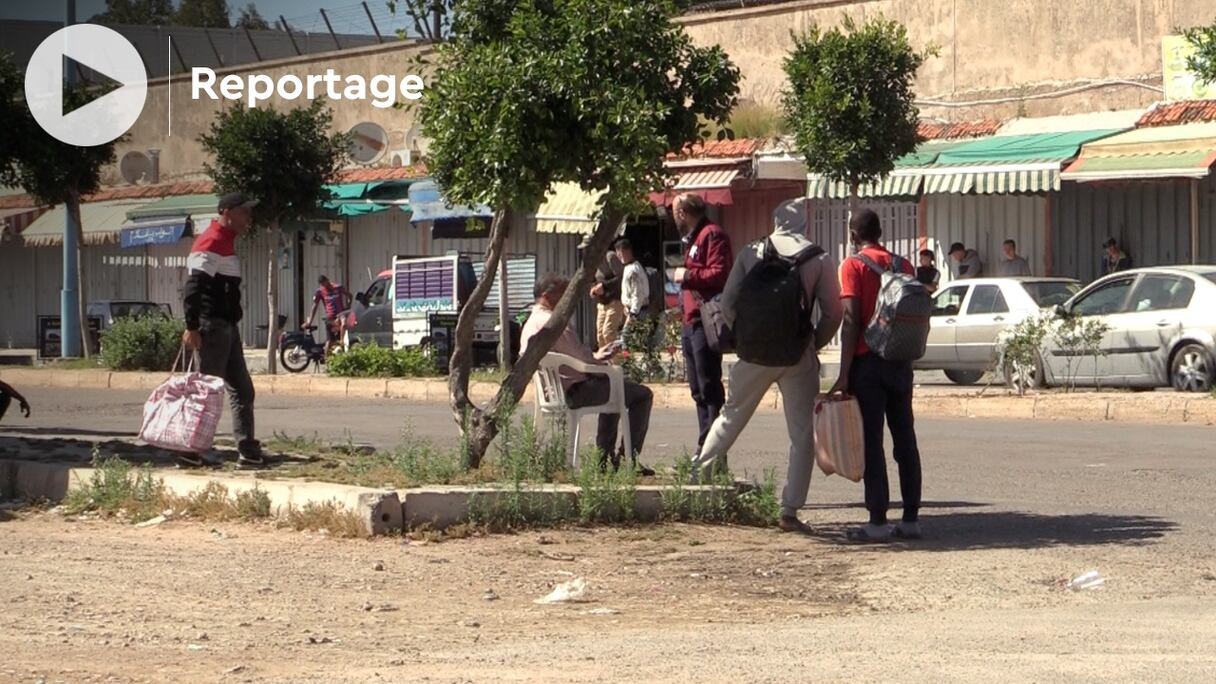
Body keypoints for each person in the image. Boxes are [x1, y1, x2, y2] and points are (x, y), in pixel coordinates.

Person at [692, 200, 842, 533]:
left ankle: (696, 485)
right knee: (802, 435)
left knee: (730, 418)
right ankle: (789, 511)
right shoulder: (819, 258)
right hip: (796, 357)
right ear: (804, 222)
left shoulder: (751, 251)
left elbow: (727, 303)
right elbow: (834, 313)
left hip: (753, 355)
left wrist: (748, 337)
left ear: (775, 220)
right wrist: (811, 343)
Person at [829, 209, 923, 543]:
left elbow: (851, 318)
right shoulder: (904, 266)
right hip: (900, 361)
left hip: (867, 363)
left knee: (872, 442)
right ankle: (911, 519)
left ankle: (878, 521)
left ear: (854, 235)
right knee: (905, 440)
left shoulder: (852, 265)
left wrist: (843, 373)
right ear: (880, 232)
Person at [520, 274, 654, 475]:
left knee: (612, 387)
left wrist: (595, 358)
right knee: (641, 394)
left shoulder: (531, 322)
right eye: (565, 293)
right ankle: (627, 459)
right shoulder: (553, 322)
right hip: (575, 390)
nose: (569, 299)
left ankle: (605, 459)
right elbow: (581, 360)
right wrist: (599, 358)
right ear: (548, 295)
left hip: (553, 390)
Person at [181, 193, 264, 468]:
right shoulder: (211, 240)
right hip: (212, 326)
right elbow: (193, 287)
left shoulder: (225, 241)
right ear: (226, 212)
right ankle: (190, 450)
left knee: (242, 390)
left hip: (227, 327)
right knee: (207, 391)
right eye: (244, 212)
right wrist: (192, 326)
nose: (248, 218)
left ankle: (248, 451)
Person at [671, 193, 733, 453]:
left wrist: (688, 275)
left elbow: (719, 274)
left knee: (709, 385)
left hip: (703, 321)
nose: (674, 218)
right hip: (690, 321)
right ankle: (704, 443)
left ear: (683, 213)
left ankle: (711, 448)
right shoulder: (694, 238)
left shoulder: (712, 234)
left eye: (675, 212)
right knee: (697, 387)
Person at [589, 241, 625, 349]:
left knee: (608, 333)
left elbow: (621, 277)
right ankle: (606, 362)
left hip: (614, 301)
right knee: (600, 335)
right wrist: (593, 289)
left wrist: (604, 286)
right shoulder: (593, 261)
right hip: (602, 303)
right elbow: (594, 279)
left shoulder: (610, 257)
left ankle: (617, 362)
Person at [306, 275, 352, 345]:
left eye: (325, 284)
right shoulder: (320, 291)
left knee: (344, 323)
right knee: (329, 341)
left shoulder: (338, 287)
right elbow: (315, 306)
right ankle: (326, 353)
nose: (325, 286)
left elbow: (350, 296)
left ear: (327, 280)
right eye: (322, 285)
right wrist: (310, 321)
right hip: (330, 317)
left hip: (340, 314)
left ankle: (341, 341)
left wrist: (347, 307)